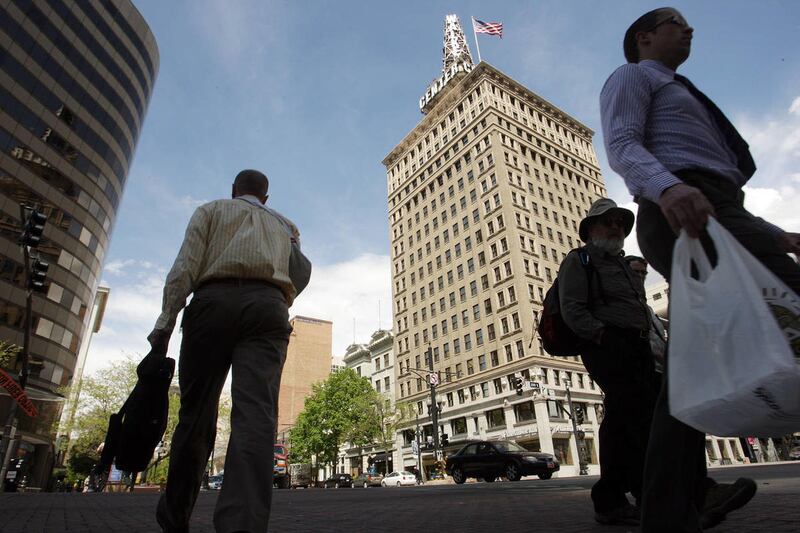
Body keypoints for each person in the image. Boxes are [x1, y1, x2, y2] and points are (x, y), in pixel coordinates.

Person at [600, 7, 800, 531]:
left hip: (717, 205)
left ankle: (674, 504)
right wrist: (666, 187)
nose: (689, 30)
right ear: (645, 37)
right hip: (679, 204)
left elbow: (718, 181)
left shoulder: (682, 90)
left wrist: (772, 233)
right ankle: (670, 507)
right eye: (675, 22)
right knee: (701, 352)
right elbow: (622, 144)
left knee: (694, 360)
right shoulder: (633, 75)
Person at [150, 169, 302, 533]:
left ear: (234, 191)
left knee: (196, 414)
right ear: (265, 198)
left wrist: (164, 326)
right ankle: (242, 526)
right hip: (268, 308)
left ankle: (175, 518)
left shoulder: (210, 211)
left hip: (211, 304)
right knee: (257, 417)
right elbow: (299, 272)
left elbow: (184, 268)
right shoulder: (287, 226)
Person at [558, 198, 659, 525]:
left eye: (620, 223)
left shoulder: (626, 266)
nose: (616, 228)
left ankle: (611, 498)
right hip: (608, 346)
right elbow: (573, 309)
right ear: (590, 230)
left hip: (641, 348)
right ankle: (650, 495)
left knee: (624, 420)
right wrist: (603, 337)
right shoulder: (580, 260)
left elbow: (639, 309)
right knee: (637, 420)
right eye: (607, 222)